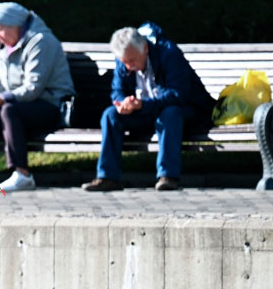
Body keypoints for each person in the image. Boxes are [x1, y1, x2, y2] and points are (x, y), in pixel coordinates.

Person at [81, 23, 214, 191]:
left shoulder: (168, 53)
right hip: (145, 110)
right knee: (110, 115)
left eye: (132, 60)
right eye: (125, 62)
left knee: (169, 114)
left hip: (182, 110)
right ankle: (107, 177)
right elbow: (117, 90)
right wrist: (123, 103)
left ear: (145, 48)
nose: (129, 66)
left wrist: (143, 104)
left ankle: (168, 176)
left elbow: (178, 94)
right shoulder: (124, 59)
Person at [0, 2, 75, 192]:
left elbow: (33, 88)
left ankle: (22, 175)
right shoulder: (6, 47)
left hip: (51, 105)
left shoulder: (41, 41)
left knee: (8, 109)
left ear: (13, 25)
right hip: (21, 106)